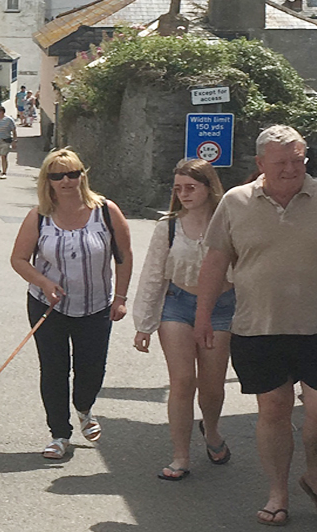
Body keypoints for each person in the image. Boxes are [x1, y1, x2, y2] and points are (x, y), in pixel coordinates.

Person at [194, 125, 317, 527]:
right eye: (281, 162)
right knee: (274, 410)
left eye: (298, 160)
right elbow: (215, 262)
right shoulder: (235, 202)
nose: (291, 169)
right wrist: (203, 316)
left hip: (315, 326)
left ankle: (313, 473)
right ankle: (278, 494)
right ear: (261, 164)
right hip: (258, 327)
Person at [10, 149, 132, 460]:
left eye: (73, 173)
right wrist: (44, 282)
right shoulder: (39, 216)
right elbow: (19, 259)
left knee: (91, 370)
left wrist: (120, 298)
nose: (66, 180)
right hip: (48, 306)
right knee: (53, 370)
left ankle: (84, 407)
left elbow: (124, 256)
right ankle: (59, 434)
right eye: (57, 176)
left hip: (96, 306)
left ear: (82, 176)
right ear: (47, 181)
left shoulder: (105, 211)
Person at [131, 159, 234, 481]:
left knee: (212, 385)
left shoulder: (231, 222)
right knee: (182, 382)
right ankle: (181, 456)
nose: (185, 194)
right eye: (179, 189)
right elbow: (152, 275)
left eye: (191, 187)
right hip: (177, 305)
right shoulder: (169, 226)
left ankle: (212, 431)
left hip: (221, 306)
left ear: (209, 187)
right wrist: (143, 324)